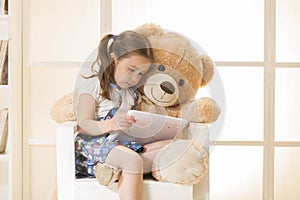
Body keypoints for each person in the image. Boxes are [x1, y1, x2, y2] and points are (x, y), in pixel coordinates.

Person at [74, 30, 171, 200]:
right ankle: (117, 167)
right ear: (114, 59)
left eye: (140, 74)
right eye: (131, 70)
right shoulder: (94, 85)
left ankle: (114, 170)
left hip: (120, 144)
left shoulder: (131, 94)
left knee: (172, 146)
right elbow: (83, 124)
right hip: (93, 147)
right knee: (132, 161)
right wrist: (111, 124)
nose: (134, 78)